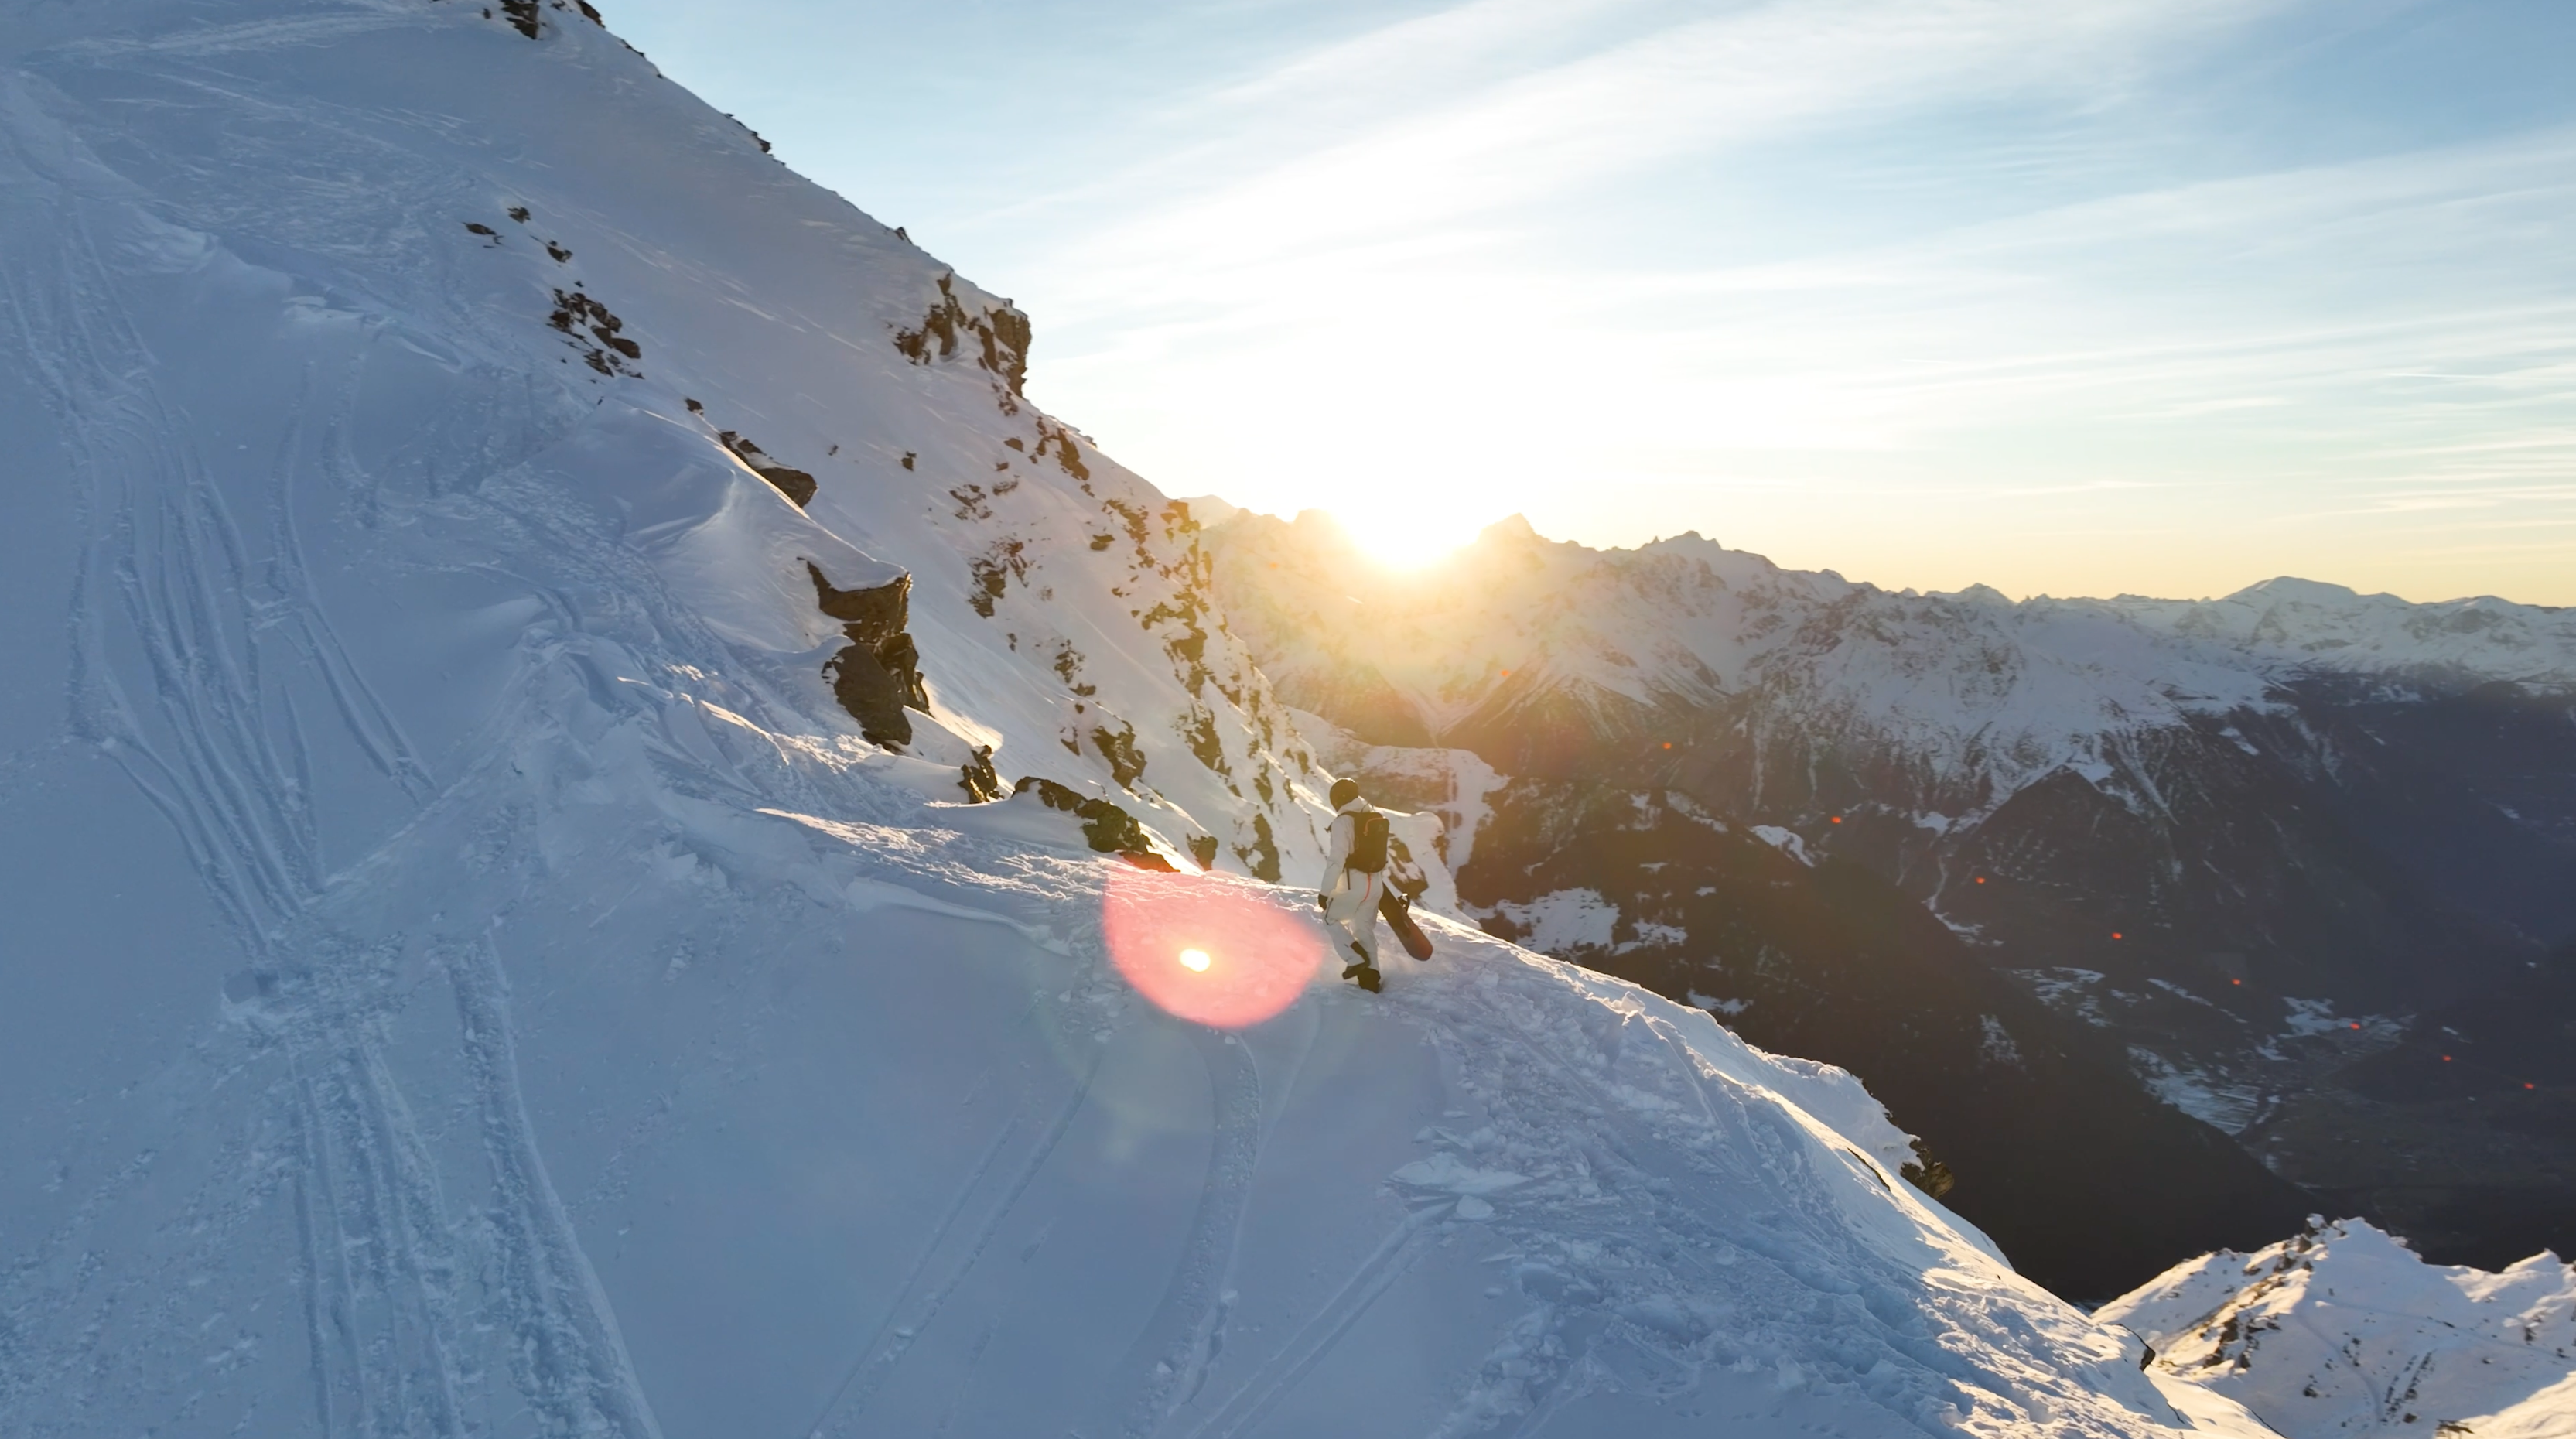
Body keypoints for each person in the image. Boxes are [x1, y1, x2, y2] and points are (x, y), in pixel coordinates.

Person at [1318, 778, 1391, 991]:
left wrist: (1325, 891)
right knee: (1362, 928)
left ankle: (1354, 958)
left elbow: (1337, 859)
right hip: (1375, 884)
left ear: (1338, 799)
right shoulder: (1373, 816)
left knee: (1329, 918)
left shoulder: (1343, 822)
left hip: (1353, 883)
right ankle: (1371, 978)